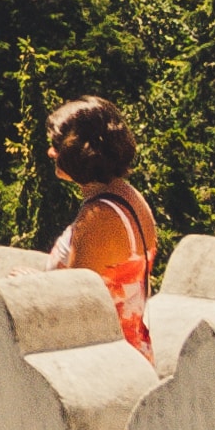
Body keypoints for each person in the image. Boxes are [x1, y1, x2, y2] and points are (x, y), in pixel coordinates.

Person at [41, 95, 157, 355]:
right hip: (128, 349)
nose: (50, 152)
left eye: (57, 145)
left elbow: (73, 299)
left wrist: (34, 285)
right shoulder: (127, 196)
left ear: (77, 152)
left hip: (101, 359)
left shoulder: (99, 217)